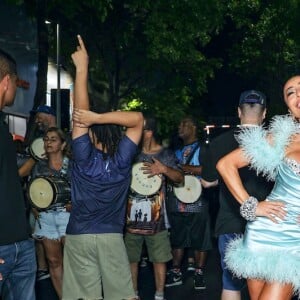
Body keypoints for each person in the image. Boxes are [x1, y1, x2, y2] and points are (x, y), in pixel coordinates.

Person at [62, 35, 144, 300]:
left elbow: (80, 118)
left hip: (79, 237)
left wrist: (82, 69)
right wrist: (98, 117)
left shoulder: (83, 157)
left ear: (91, 134)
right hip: (111, 238)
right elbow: (138, 120)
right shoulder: (121, 162)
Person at [216, 76, 300, 300]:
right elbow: (225, 165)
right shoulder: (283, 139)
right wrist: (251, 205)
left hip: (296, 241)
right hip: (266, 231)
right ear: (288, 106)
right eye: (290, 92)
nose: (297, 94)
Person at [201, 90, 274, 300]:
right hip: (266, 223)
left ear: (239, 112)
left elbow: (207, 182)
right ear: (264, 113)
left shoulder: (219, 143)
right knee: (267, 283)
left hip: (230, 222)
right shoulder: (274, 142)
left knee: (230, 282)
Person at [124, 116, 183, 300]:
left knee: (159, 259)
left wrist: (164, 170)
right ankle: (133, 294)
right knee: (131, 258)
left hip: (157, 218)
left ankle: (159, 295)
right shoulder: (130, 153)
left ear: (148, 132)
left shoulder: (165, 154)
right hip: (131, 217)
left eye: (137, 129)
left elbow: (180, 178)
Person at [0, 49, 36, 299]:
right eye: (16, 81)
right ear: (6, 81)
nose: (16, 86)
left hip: (20, 243)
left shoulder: (2, 126)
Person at [165, 116, 213, 290]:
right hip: (177, 200)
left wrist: (183, 169)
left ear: (193, 127)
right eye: (180, 123)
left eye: (184, 124)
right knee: (177, 238)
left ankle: (199, 273)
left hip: (198, 199)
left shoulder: (204, 148)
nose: (180, 126)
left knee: (201, 238)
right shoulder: (175, 150)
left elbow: (209, 170)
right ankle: (176, 272)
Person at [30, 127, 71, 299]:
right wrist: (33, 205)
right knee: (54, 262)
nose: (48, 142)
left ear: (62, 145)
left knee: (72, 262)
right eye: (46, 139)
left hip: (67, 217)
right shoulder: (38, 166)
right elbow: (32, 189)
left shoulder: (72, 165)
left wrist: (75, 203)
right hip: (46, 217)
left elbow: (84, 189)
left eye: (53, 139)